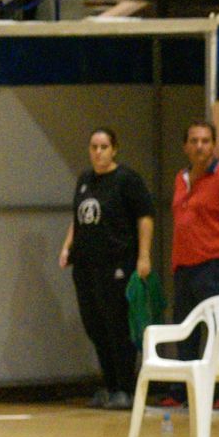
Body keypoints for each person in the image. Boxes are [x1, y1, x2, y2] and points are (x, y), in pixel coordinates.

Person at [58, 127, 154, 410]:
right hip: (86, 265)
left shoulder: (127, 180)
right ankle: (110, 387)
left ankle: (126, 388)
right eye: (93, 147)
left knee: (117, 327)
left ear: (114, 149)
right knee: (95, 326)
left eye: (103, 147)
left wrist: (144, 257)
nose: (98, 152)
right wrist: (66, 247)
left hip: (117, 264)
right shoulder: (85, 180)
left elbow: (145, 218)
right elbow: (77, 218)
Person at [169, 121, 219, 394]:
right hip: (183, 266)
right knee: (185, 331)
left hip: (214, 265)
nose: (199, 146)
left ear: (213, 145)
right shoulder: (181, 178)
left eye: (205, 141)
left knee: (217, 332)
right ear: (185, 146)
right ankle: (189, 392)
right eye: (194, 141)